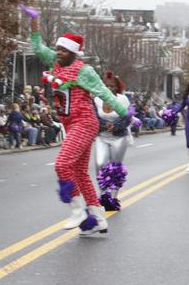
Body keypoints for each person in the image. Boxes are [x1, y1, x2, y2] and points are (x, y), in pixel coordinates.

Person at [27, 16, 126, 235]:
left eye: (64, 50)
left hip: (85, 122)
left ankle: (78, 210)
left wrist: (124, 114)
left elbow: (103, 92)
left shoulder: (84, 71)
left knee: (62, 165)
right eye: (58, 49)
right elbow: (37, 47)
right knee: (80, 173)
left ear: (74, 53)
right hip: (69, 123)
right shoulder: (55, 62)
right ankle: (99, 219)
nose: (59, 52)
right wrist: (34, 22)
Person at [94, 71, 134, 207]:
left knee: (115, 168)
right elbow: (93, 117)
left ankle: (114, 197)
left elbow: (128, 118)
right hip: (102, 137)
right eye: (107, 86)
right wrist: (104, 125)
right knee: (100, 164)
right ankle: (104, 195)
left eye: (112, 86)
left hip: (118, 137)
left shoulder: (123, 100)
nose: (110, 89)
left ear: (117, 87)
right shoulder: (97, 99)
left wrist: (115, 126)